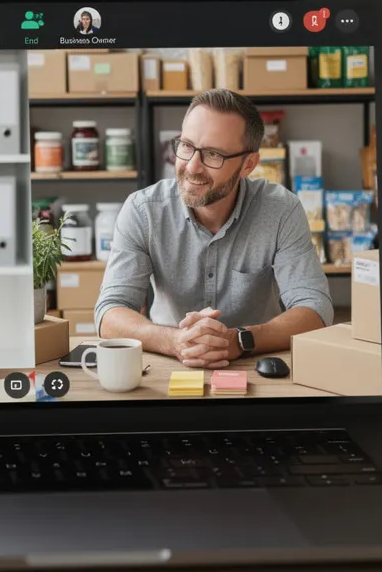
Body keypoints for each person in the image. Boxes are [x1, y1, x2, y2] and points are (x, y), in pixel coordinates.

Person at [94, 89, 332, 369]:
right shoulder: (143, 210)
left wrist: (239, 340)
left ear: (248, 164)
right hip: (167, 362)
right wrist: (175, 341)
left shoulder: (281, 210)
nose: (192, 167)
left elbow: (316, 309)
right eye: (186, 146)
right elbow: (109, 313)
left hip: (255, 362)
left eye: (213, 154)